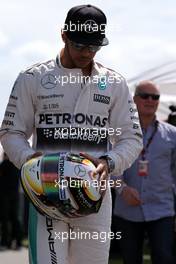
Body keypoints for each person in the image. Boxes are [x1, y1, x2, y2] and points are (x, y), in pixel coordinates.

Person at [0, 4, 142, 264]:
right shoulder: (32, 77)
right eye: (80, 45)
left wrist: (109, 162)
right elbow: (11, 132)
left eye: (94, 46)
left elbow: (131, 138)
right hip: (46, 191)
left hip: (95, 193)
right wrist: (30, 160)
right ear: (63, 35)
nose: (87, 53)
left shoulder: (114, 83)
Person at [113, 80, 176, 264]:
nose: (150, 100)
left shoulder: (173, 134)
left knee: (164, 258)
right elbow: (109, 169)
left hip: (162, 210)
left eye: (155, 97)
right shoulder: (119, 133)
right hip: (127, 211)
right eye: (145, 96)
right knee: (131, 260)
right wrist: (122, 189)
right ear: (134, 100)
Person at [0, 153, 22, 250]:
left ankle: (6, 242)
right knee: (15, 219)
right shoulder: (17, 166)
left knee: (5, 220)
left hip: (5, 196)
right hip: (15, 196)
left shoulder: (3, 165)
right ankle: (17, 242)